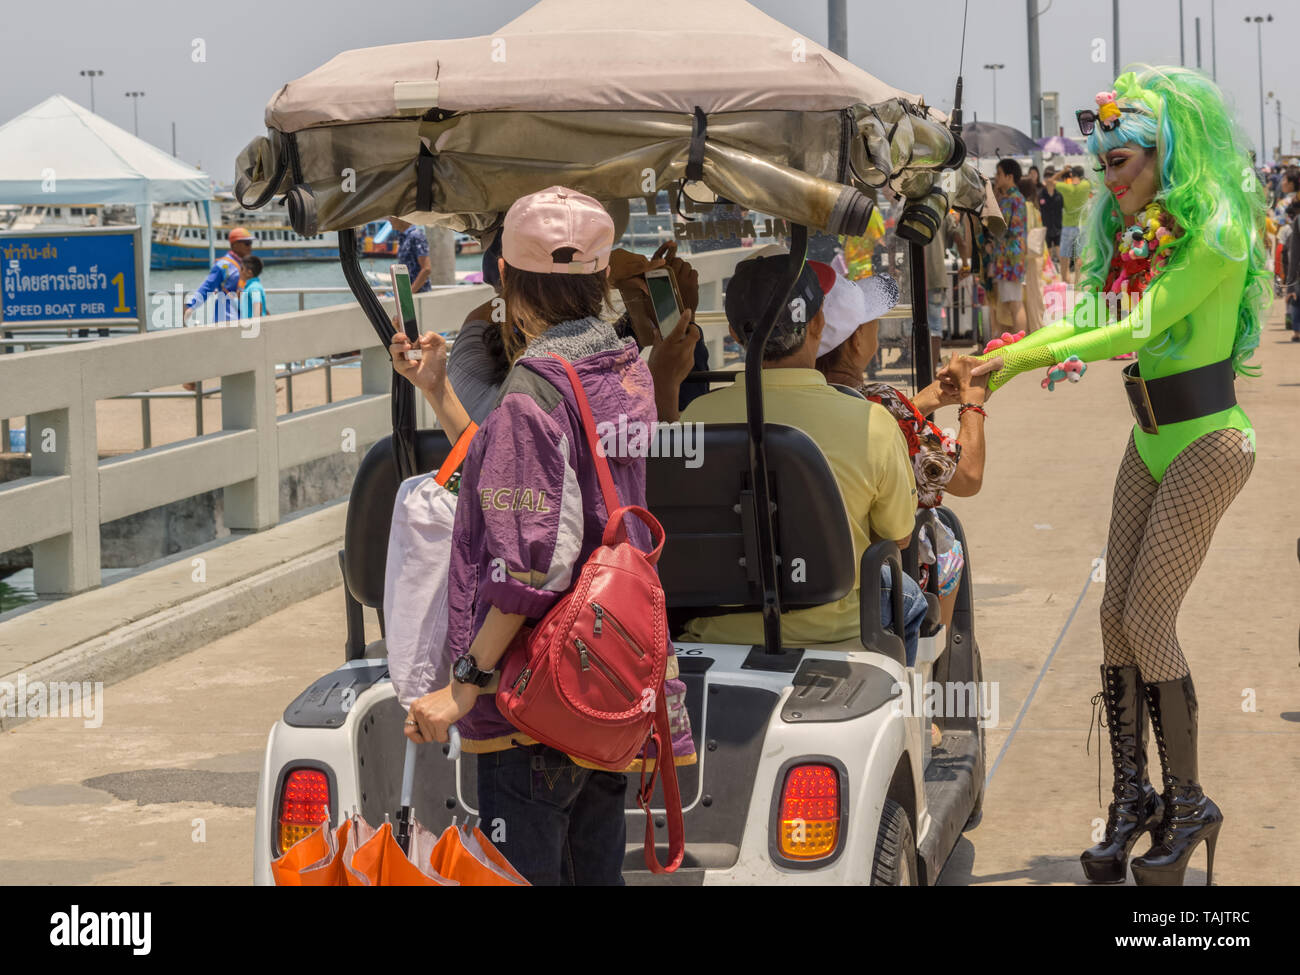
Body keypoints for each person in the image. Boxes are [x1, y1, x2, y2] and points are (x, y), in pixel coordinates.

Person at [968, 67, 1268, 886]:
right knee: (1112, 616)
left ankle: (1192, 801)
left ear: (1167, 154)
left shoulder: (1216, 233)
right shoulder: (1142, 235)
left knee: (1148, 616)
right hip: (1151, 437)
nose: (1111, 176)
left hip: (1210, 442)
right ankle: (1135, 800)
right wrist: (1006, 354)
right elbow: (1094, 314)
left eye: (1125, 158)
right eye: (1103, 163)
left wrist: (1018, 357)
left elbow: (1133, 324)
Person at [397, 186, 688, 885]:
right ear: (598, 281)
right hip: (605, 680)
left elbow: (530, 567)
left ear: (504, 281)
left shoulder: (534, 392)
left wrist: (464, 686)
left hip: (535, 704)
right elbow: (532, 490)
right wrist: (439, 391)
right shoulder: (621, 369)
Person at [651, 254, 930, 664]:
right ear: (818, 324)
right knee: (910, 599)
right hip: (843, 630)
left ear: (732, 332)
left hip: (717, 630)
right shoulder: (872, 423)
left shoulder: (693, 421)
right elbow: (899, 536)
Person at [810, 263, 989, 629]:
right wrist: (972, 402)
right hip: (871, 580)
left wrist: (926, 401)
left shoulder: (775, 402)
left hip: (803, 574)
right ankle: (935, 658)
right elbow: (968, 477)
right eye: (871, 321)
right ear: (857, 340)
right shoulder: (880, 405)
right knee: (947, 547)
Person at [985, 158, 1028, 334]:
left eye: (999, 173)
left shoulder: (1009, 199)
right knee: (1012, 302)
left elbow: (999, 227)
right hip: (1012, 255)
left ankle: (1021, 343)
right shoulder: (1016, 197)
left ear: (1009, 176)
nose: (996, 177)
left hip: (1008, 256)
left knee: (1014, 303)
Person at [185, 227, 250, 324]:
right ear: (235, 245)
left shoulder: (243, 264)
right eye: (247, 244)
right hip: (227, 318)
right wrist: (190, 307)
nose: (250, 247)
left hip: (243, 317)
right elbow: (207, 286)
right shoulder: (223, 265)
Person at [1018, 176, 1047, 332]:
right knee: (1035, 294)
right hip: (1036, 257)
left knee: (1030, 296)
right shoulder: (1035, 207)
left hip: (1027, 257)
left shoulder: (1025, 207)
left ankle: (1036, 329)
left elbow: (1026, 230)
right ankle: (1036, 328)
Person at [1056, 166, 1094, 286]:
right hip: (1082, 225)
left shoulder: (1066, 187)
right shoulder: (1086, 185)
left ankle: (1065, 281)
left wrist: (1063, 171)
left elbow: (1049, 182)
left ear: (1071, 175)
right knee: (1079, 256)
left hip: (1068, 225)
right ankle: (1078, 283)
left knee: (1065, 256)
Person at [389, 216, 432, 293]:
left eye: (392, 217)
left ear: (402, 219)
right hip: (409, 294)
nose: (389, 220)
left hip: (419, 295)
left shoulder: (416, 236)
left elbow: (426, 268)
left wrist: (410, 292)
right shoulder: (403, 237)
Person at [1039, 167, 1065, 267]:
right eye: (1046, 177)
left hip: (1058, 227)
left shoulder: (1059, 194)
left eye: (1050, 176)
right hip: (1046, 228)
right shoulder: (1041, 194)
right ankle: (1049, 276)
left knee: (1060, 254)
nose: (1048, 179)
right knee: (1047, 255)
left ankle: (1063, 276)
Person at [1284, 198, 1300, 342]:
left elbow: (1294, 254)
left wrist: (1290, 285)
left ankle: (1297, 332)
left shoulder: (1298, 221)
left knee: (1296, 301)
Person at [239, 255, 267, 320]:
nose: (239, 271)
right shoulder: (251, 286)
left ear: (249, 272)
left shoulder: (254, 287)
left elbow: (257, 305)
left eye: (242, 268)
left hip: (252, 327)